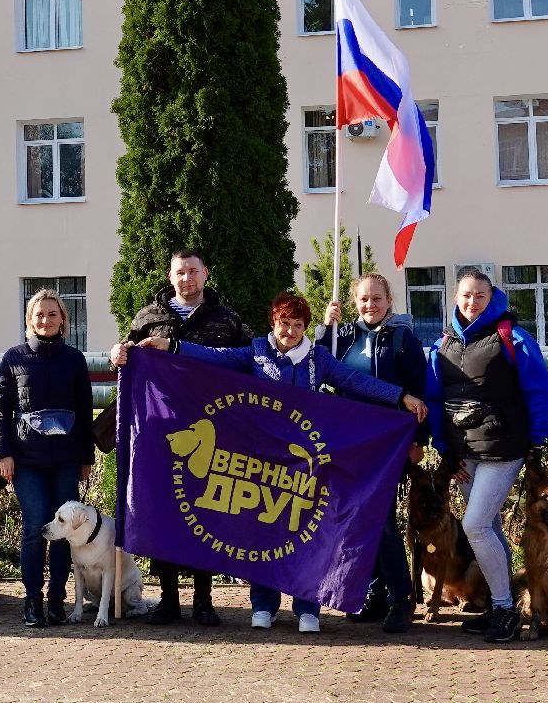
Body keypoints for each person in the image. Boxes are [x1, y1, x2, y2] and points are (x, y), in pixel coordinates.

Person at [119, 291, 423, 633]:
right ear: (273, 323)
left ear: (306, 327)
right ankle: (263, 604)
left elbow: (355, 381)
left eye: (297, 325)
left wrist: (400, 396)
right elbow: (216, 357)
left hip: (303, 463)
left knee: (303, 532)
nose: (289, 331)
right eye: (283, 323)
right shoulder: (257, 352)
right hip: (262, 460)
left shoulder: (317, 359)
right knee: (263, 533)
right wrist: (171, 347)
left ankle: (308, 606)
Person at [117, 248, 249, 627]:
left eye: (193, 271)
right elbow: (125, 358)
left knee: (205, 512)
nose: (187, 278)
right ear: (170, 276)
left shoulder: (227, 320)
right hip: (159, 431)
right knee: (163, 512)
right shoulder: (148, 318)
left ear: (206, 274)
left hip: (211, 428)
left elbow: (247, 361)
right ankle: (170, 600)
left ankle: (204, 601)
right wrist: (117, 354)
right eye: (180, 272)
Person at [424, 267, 548, 645]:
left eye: (479, 295)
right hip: (463, 455)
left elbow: (538, 389)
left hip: (503, 449)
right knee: (490, 528)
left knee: (475, 525)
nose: (471, 302)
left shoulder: (513, 337)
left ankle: (502, 609)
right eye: (465, 295)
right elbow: (434, 399)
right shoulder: (443, 343)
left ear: (491, 296)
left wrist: (538, 437)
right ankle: (502, 607)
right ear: (455, 297)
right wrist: (444, 448)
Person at [320, 272, 429, 634]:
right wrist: (325, 328)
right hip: (351, 443)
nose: (370, 305)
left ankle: (402, 597)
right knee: (361, 519)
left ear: (389, 301)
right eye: (364, 299)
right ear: (354, 302)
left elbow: (421, 392)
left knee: (378, 518)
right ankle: (377, 590)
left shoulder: (402, 339)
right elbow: (317, 367)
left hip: (389, 445)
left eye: (377, 298)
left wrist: (419, 442)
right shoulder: (344, 337)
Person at [0, 289, 95, 628]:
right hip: (27, 461)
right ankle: (32, 600)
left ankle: (56, 600)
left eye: (52, 314)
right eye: (39, 315)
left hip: (66, 459)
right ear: (28, 320)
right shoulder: (14, 358)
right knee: (37, 528)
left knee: (64, 531)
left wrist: (85, 457)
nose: (45, 320)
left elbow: (84, 410)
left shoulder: (74, 360)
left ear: (63, 319)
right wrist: (2, 452)